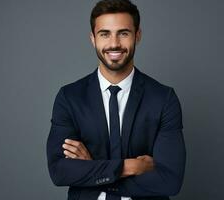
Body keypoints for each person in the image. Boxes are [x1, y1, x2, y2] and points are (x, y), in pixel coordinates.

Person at [46, 0, 186, 200]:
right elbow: (60, 171)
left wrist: (94, 170)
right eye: (105, 34)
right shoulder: (69, 97)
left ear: (137, 36)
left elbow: (170, 181)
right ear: (92, 38)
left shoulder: (164, 98)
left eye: (123, 33)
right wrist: (129, 166)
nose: (114, 44)